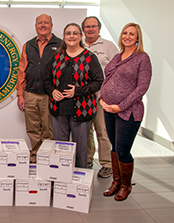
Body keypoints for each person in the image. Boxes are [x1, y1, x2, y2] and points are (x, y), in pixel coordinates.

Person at [100, 23, 152, 201]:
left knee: (123, 149)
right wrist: (102, 98)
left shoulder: (142, 58)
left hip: (128, 112)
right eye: (125, 33)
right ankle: (116, 182)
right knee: (114, 148)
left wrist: (121, 106)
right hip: (109, 109)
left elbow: (142, 87)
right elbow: (108, 79)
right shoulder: (117, 56)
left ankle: (125, 185)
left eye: (132, 34)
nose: (127, 36)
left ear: (137, 38)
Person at [44, 23, 104, 168]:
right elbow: (46, 79)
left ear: (81, 36)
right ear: (64, 37)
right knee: (60, 150)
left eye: (75, 33)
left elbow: (98, 82)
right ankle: (61, 181)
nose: (72, 36)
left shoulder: (90, 57)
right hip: (59, 110)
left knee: (81, 151)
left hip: (82, 110)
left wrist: (77, 91)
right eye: (68, 33)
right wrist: (52, 91)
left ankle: (79, 183)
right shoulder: (56, 56)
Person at [16, 14, 62, 163]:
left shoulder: (60, 44)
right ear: (35, 26)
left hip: (50, 94)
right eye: (40, 23)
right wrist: (20, 95)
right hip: (30, 94)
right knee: (33, 129)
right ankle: (35, 156)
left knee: (48, 130)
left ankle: (47, 158)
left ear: (51, 26)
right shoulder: (28, 45)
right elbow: (22, 70)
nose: (43, 25)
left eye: (46, 23)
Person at [82, 16, 119, 178]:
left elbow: (117, 73)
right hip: (83, 97)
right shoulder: (78, 45)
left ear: (99, 28)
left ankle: (107, 163)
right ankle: (88, 159)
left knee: (103, 131)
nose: (90, 29)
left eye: (93, 26)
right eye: (87, 27)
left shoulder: (109, 47)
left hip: (102, 98)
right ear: (83, 29)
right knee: (86, 130)